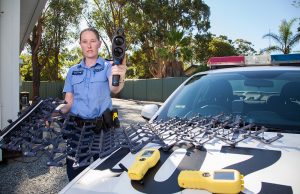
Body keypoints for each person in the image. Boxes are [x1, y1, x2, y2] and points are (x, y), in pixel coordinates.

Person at [55, 27, 127, 181]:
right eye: (85, 41)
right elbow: (68, 103)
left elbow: (115, 88)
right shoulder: (72, 71)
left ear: (99, 44)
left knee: (106, 176)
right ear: (80, 44)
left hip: (103, 131)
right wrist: (55, 112)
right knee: (75, 176)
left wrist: (119, 73)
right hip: (77, 133)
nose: (89, 45)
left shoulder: (109, 66)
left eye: (93, 41)